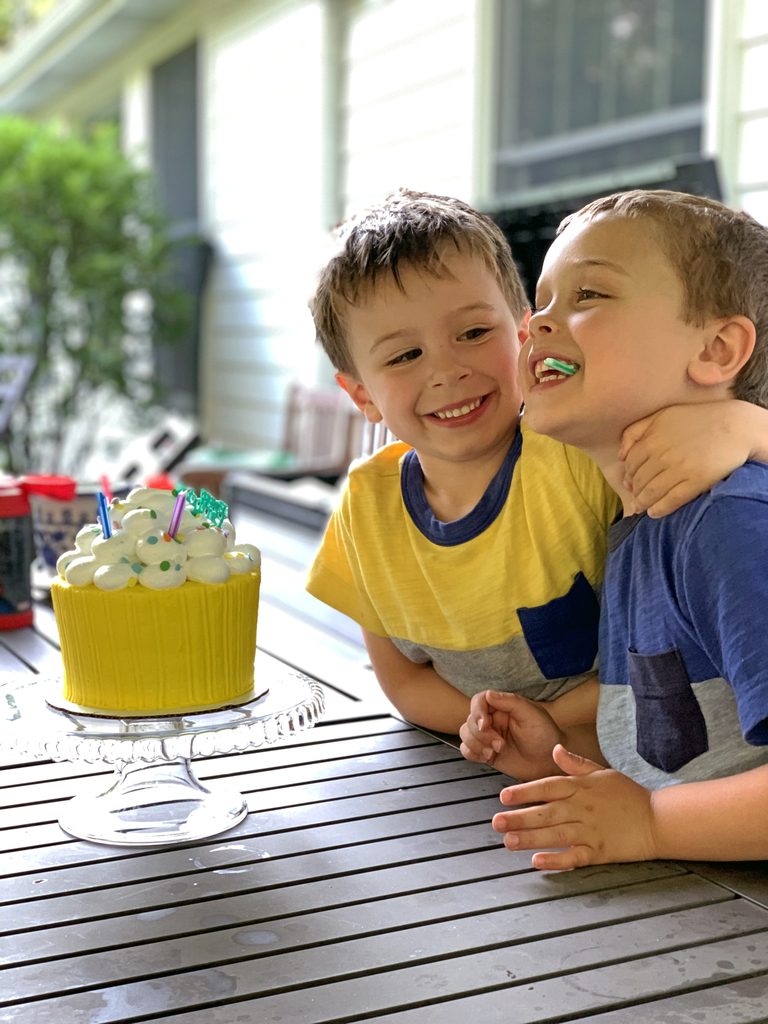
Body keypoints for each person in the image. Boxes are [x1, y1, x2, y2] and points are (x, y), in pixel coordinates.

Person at [306, 188, 768, 738]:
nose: (448, 370)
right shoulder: (366, 509)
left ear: (521, 331)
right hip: (503, 763)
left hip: (627, 766)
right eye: (405, 355)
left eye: (474, 333)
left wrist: (746, 425)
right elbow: (402, 680)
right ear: (362, 395)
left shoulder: (581, 445)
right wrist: (499, 731)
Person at [461, 189, 768, 868]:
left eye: (589, 294)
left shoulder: (728, 524)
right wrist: (568, 758)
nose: (536, 324)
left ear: (717, 348)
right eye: (540, 302)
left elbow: (668, 809)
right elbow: (696, 756)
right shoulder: (642, 530)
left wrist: (652, 824)